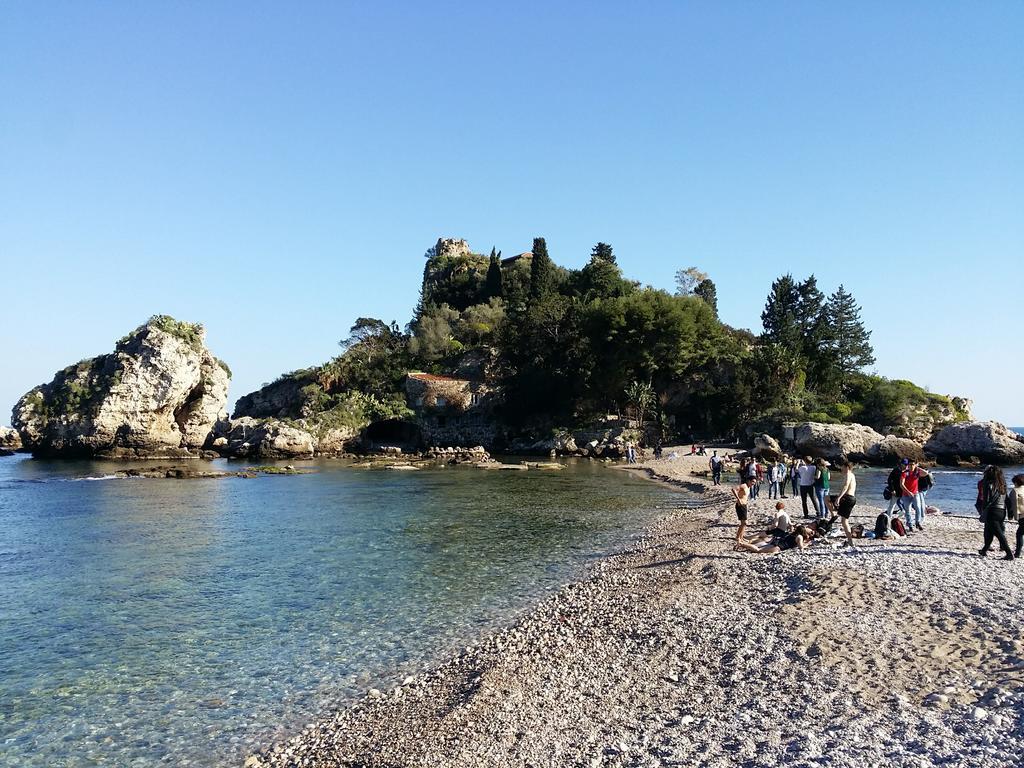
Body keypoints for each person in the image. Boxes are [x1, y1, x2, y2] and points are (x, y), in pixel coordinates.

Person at [978, 465, 1013, 560]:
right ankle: (984, 550)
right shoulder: (1002, 484)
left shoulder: (987, 483)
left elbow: (986, 500)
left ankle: (1009, 553)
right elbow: (1007, 499)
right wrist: (1010, 512)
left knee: (998, 533)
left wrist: (983, 511)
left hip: (992, 511)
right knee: (990, 530)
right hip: (1002, 511)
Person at [735, 524, 812, 554]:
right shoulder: (799, 537)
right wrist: (807, 545)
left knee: (758, 548)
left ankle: (743, 545)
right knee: (758, 550)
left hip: (776, 542)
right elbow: (800, 547)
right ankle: (742, 544)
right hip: (778, 548)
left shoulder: (792, 534)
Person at [833, 459, 858, 548]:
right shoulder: (852, 475)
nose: (841, 469)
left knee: (844, 521)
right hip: (851, 499)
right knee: (844, 521)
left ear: (847, 467)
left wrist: (839, 498)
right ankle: (850, 541)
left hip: (847, 498)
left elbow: (845, 486)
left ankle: (850, 541)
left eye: (842, 467)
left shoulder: (848, 474)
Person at [899, 460, 925, 532]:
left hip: (915, 493)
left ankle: (917, 523)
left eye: (913, 465)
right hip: (906, 495)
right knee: (908, 511)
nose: (911, 466)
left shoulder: (917, 472)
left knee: (918, 508)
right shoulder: (905, 473)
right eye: (910, 465)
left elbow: (925, 473)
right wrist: (908, 492)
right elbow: (901, 484)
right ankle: (910, 525)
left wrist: (918, 467)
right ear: (908, 465)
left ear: (915, 465)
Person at [732, 477, 755, 542]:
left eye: (754, 482)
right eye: (752, 481)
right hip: (740, 505)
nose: (753, 483)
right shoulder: (744, 486)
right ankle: (737, 537)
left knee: (744, 523)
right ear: (748, 480)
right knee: (744, 523)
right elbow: (733, 489)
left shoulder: (748, 487)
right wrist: (738, 499)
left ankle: (741, 537)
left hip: (744, 505)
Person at [1009, 474, 1024, 558]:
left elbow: (1013, 505)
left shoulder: (1015, 491)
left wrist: (1014, 517)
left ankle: (1017, 553)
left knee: (1019, 534)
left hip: (1022, 515)